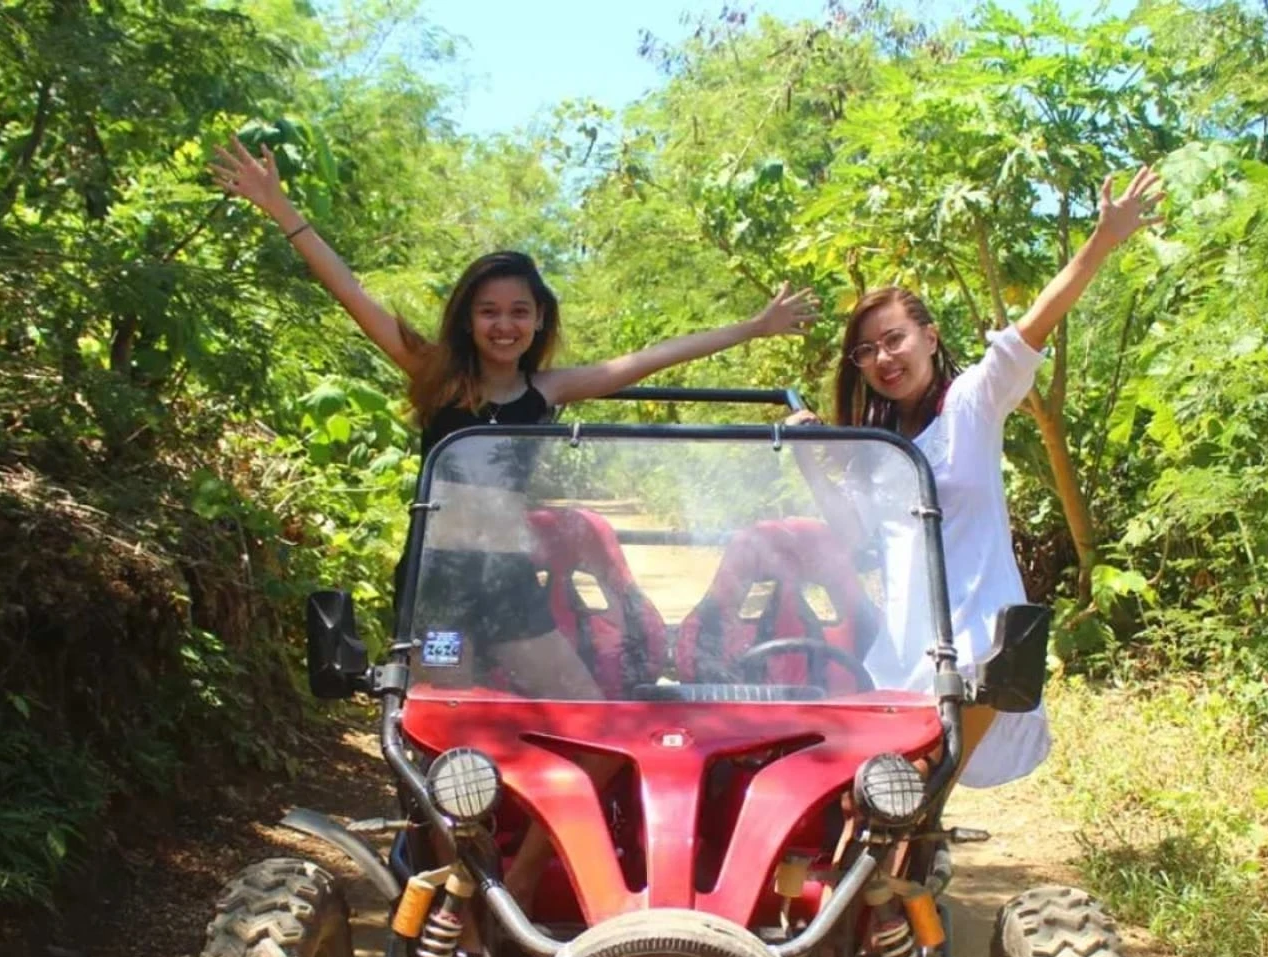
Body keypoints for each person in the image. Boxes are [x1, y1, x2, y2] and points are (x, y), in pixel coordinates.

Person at [211, 134, 815, 902]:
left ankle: (519, 880)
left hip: (511, 584)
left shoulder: (548, 392)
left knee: (602, 731)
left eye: (519, 313)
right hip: (442, 586)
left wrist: (752, 329)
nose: (504, 325)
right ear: (470, 319)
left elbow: (649, 359)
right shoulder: (433, 377)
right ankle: (450, 899)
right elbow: (351, 291)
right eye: (490, 311)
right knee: (442, 744)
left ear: (538, 322)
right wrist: (280, 207)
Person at [791, 166, 1164, 789]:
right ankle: (915, 881)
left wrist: (1102, 240)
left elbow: (1029, 333)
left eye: (895, 340)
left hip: (980, 648)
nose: (883, 358)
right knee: (885, 809)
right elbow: (855, 539)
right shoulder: (879, 445)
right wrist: (809, 456)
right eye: (867, 351)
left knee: (905, 796)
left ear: (930, 338)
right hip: (906, 652)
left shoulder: (970, 405)